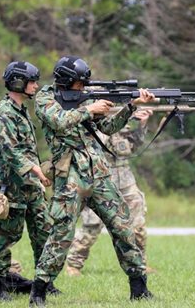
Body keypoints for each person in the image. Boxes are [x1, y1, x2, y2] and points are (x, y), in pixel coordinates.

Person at [31, 56, 155, 307]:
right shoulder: (45, 98)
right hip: (70, 176)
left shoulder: (85, 98)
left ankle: (139, 288)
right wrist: (89, 108)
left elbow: (108, 128)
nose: (83, 88)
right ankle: (39, 292)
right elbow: (58, 121)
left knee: (122, 226)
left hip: (98, 172)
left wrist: (130, 106)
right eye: (79, 83)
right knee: (61, 233)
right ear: (66, 81)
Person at [0, 61, 57, 301]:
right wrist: (35, 170)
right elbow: (10, 151)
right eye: (32, 81)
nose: (36, 85)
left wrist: (38, 174)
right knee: (7, 236)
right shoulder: (2, 112)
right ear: (18, 83)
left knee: (43, 232)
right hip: (15, 186)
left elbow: (26, 149)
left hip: (32, 186)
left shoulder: (21, 110)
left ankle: (44, 283)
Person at [66, 109, 154, 276]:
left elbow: (132, 146)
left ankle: (140, 264)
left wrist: (142, 124)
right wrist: (107, 120)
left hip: (126, 180)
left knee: (138, 225)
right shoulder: (90, 121)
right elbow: (93, 145)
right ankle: (73, 265)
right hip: (101, 178)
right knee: (92, 225)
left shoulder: (123, 121)